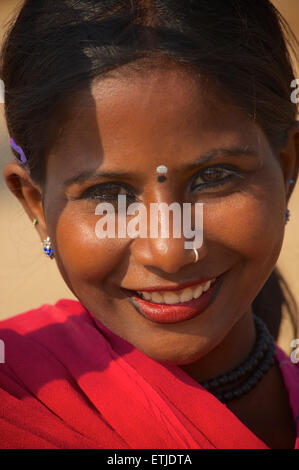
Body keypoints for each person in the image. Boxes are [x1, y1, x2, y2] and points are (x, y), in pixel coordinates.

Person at [0, 0, 298, 449]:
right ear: (37, 206)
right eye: (109, 195)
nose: (170, 250)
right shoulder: (15, 396)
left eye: (213, 177)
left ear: (287, 166)